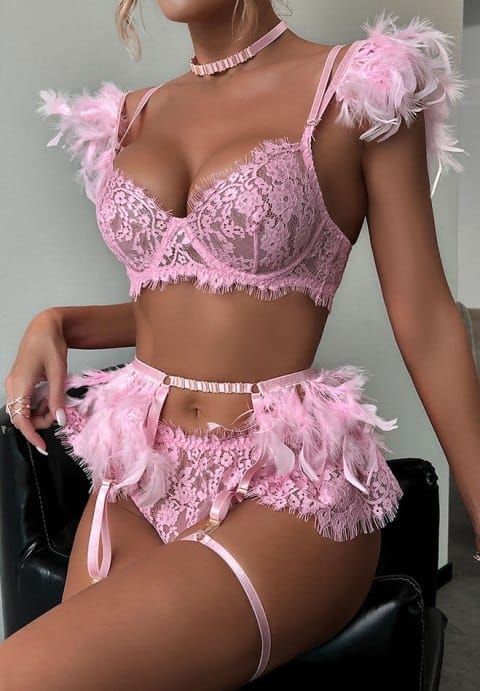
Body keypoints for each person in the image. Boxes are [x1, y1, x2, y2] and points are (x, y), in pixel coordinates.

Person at [2, 1, 479, 689]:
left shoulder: (354, 90)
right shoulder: (134, 116)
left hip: (289, 488)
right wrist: (58, 321)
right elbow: (182, 307)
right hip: (141, 477)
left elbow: (427, 321)